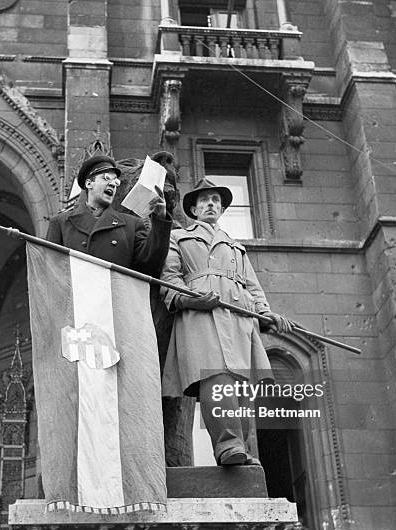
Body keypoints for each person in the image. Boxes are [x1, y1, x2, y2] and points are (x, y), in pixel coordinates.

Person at [160, 179, 293, 466]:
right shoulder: (178, 238)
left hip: (239, 319)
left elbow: (253, 287)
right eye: (204, 200)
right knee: (216, 378)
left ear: (221, 209)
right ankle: (227, 446)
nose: (211, 204)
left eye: (216, 201)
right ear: (193, 209)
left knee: (242, 386)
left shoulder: (236, 248)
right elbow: (169, 280)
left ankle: (243, 449)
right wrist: (191, 299)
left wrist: (267, 314)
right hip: (201, 316)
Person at [47, 155, 172, 275]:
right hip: (76, 294)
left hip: (114, 295)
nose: (113, 184)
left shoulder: (132, 225)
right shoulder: (61, 222)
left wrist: (160, 220)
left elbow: (150, 266)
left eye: (116, 182)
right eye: (106, 178)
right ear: (89, 184)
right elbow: (51, 269)